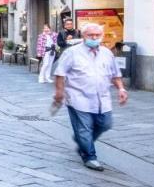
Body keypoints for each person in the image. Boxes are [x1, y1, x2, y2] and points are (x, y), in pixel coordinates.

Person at [53, 22, 128, 171]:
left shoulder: (107, 53)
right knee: (84, 129)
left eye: (97, 35)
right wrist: (59, 92)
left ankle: (82, 141)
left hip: (102, 98)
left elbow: (115, 74)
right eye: (90, 35)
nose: (94, 38)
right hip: (78, 97)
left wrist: (121, 88)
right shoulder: (72, 52)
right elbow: (60, 73)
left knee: (105, 124)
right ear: (83, 35)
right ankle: (89, 157)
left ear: (101, 35)